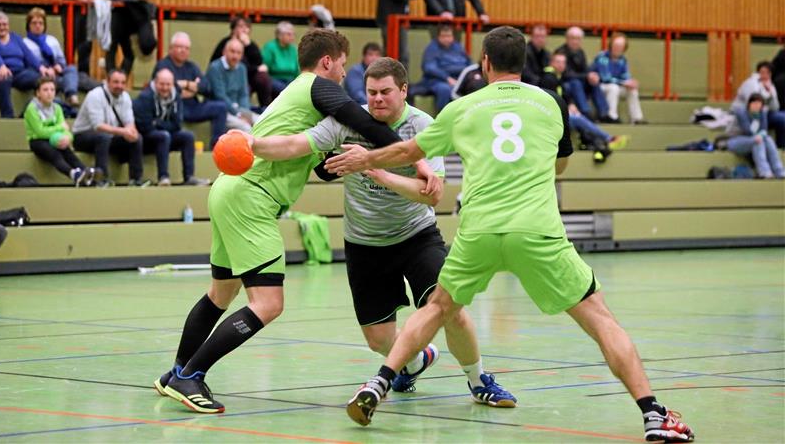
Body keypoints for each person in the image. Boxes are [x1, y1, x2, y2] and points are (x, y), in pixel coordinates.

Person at [327, 26, 695, 443]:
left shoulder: (462, 107)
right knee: (599, 318)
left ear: (484, 63)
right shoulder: (552, 103)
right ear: (525, 63)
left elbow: (408, 152)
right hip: (536, 231)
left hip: (480, 229)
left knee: (437, 308)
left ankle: (380, 381)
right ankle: (652, 414)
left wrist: (366, 159)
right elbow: (560, 167)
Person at [155, 29, 441, 414]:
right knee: (268, 303)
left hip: (229, 192)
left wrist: (344, 162)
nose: (343, 76)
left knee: (220, 293)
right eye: (341, 66)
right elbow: (363, 119)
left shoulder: (296, 102)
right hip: (252, 199)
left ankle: (176, 373)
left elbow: (314, 160)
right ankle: (193, 375)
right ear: (327, 62)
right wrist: (418, 159)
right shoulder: (314, 87)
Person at [249, 56, 516, 404]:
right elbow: (297, 144)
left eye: (385, 92)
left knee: (450, 309)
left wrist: (374, 169)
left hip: (417, 236)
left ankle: (478, 379)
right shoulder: (348, 121)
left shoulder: (423, 125)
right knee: (377, 338)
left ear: (403, 91)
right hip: (365, 242)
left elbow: (430, 194)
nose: (377, 99)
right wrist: (251, 143)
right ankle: (416, 360)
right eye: (371, 92)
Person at [540, 53, 627, 162]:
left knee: (578, 116)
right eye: (558, 62)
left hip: (558, 114)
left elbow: (563, 95)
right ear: (551, 63)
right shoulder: (548, 78)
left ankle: (597, 143)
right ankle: (607, 139)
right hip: (551, 117)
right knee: (578, 118)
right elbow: (550, 100)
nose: (561, 65)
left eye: (563, 62)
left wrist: (571, 105)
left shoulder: (557, 77)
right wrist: (566, 109)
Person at [133, 69, 210, 186]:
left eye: (168, 84)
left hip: (165, 134)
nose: (165, 88)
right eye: (162, 84)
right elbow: (145, 126)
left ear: (173, 84)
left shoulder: (176, 96)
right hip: (146, 139)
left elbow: (177, 124)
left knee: (187, 136)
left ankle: (189, 177)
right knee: (163, 136)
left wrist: (157, 123)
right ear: (155, 82)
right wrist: (164, 126)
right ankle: (163, 177)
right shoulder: (144, 97)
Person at [153, 32, 228, 148]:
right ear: (171, 48)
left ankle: (217, 146)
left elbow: (206, 86)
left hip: (194, 107)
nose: (183, 51)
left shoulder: (192, 66)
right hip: (173, 109)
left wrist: (188, 86)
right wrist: (189, 85)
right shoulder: (163, 65)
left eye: (186, 48)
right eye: (179, 47)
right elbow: (166, 91)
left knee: (221, 107)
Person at [72, 69, 145, 186]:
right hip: (83, 136)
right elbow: (98, 126)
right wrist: (124, 131)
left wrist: (132, 132)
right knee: (103, 137)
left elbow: (129, 122)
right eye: (116, 82)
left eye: (122, 83)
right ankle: (101, 178)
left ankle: (136, 179)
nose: (119, 86)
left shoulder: (125, 97)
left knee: (137, 138)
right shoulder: (95, 95)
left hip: (109, 135)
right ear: (107, 82)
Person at [24, 76, 94, 186]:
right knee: (54, 153)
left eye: (52, 90)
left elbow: (66, 130)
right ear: (38, 93)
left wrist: (67, 138)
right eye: (45, 90)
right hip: (37, 141)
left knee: (67, 151)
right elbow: (40, 131)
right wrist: (60, 128)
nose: (49, 93)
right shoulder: (31, 109)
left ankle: (85, 171)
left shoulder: (57, 108)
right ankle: (73, 174)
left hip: (54, 138)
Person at [0, 11, 41, 118]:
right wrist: (1, 66)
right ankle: (8, 117)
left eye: (5, 24)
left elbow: (28, 55)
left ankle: (29, 113)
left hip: (18, 73)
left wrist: (41, 68)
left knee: (40, 79)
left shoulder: (16, 37)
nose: (2, 27)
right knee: (4, 77)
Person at [210, 16, 272, 109]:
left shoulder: (250, 44)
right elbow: (226, 64)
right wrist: (256, 69)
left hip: (248, 76)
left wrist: (248, 45)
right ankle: (242, 109)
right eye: (240, 26)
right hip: (230, 79)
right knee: (245, 88)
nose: (244, 30)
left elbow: (259, 62)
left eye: (247, 27)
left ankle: (265, 109)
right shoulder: (226, 43)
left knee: (264, 78)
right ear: (233, 29)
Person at [23, 8, 79, 105]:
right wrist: (45, 70)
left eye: (41, 23)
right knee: (64, 81)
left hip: (54, 73)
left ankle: (71, 95)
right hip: (38, 74)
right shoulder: (24, 43)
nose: (38, 26)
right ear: (28, 25)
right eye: (34, 23)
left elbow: (61, 61)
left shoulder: (52, 40)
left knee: (71, 69)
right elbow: (27, 63)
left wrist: (58, 67)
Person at [589, 33, 645, 124]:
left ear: (624, 48)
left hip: (617, 85)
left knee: (632, 90)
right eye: (616, 46)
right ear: (611, 45)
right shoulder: (602, 57)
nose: (617, 49)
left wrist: (630, 82)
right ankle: (612, 116)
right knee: (613, 88)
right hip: (600, 87)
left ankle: (637, 118)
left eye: (620, 47)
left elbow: (625, 75)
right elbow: (605, 78)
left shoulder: (623, 60)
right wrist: (623, 83)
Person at [555, 26, 609, 121]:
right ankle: (586, 112)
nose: (575, 41)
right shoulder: (561, 52)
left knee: (593, 82)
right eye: (573, 38)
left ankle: (604, 113)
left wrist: (591, 75)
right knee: (576, 83)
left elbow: (585, 70)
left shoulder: (580, 52)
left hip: (579, 82)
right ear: (567, 39)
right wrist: (586, 76)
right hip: (565, 84)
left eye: (578, 39)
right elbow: (566, 74)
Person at [727, 93, 784, 179]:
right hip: (735, 140)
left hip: (754, 140)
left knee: (767, 139)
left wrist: (761, 134)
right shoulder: (742, 113)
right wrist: (760, 134)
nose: (756, 106)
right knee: (757, 140)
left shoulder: (762, 113)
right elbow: (748, 131)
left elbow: (764, 129)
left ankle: (779, 171)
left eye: (759, 104)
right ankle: (764, 172)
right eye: (754, 103)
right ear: (749, 104)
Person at [418, 24, 472, 112]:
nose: (446, 39)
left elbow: (469, 62)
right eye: (443, 36)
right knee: (445, 89)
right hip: (437, 80)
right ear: (438, 37)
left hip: (459, 78)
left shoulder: (458, 47)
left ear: (453, 37)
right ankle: (441, 117)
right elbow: (429, 68)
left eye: (449, 36)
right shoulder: (432, 48)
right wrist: (447, 78)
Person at [732, 61, 785, 149]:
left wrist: (770, 93)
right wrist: (766, 96)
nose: (765, 75)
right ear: (758, 72)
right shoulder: (751, 84)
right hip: (746, 114)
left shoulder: (770, 85)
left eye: (768, 73)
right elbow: (753, 105)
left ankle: (781, 147)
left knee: (782, 117)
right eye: (762, 72)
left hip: (763, 114)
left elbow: (776, 108)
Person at [205, 38, 253, 132]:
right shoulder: (215, 68)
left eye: (239, 53)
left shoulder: (242, 68)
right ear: (224, 52)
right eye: (232, 51)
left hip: (238, 110)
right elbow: (220, 96)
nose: (235, 56)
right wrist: (238, 114)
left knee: (261, 122)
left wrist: (245, 113)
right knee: (247, 128)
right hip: (222, 110)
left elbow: (243, 94)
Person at [261, 21, 299, 96]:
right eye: (289, 34)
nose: (292, 37)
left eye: (293, 34)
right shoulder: (270, 47)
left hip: (291, 80)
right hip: (274, 79)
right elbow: (264, 68)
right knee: (286, 91)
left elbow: (297, 70)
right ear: (279, 35)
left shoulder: (293, 49)